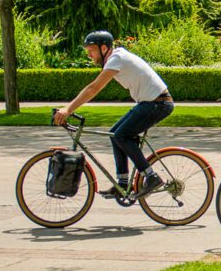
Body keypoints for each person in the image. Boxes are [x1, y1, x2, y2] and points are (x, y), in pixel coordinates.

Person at [56, 30, 172, 199]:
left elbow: (93, 88)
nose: (89, 54)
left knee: (121, 136)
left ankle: (151, 176)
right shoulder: (116, 58)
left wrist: (68, 109)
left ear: (104, 48)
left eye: (91, 50)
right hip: (151, 102)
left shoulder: (116, 59)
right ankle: (123, 184)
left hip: (158, 103)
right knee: (114, 134)